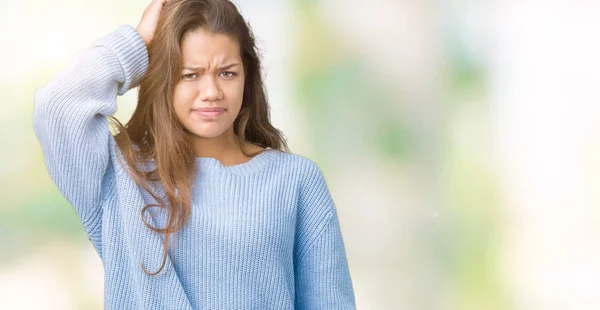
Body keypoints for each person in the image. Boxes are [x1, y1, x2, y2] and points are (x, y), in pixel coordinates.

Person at [33, 0, 356, 309]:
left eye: (227, 72)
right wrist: (137, 45)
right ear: (163, 79)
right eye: (190, 74)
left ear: (248, 77)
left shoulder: (296, 180)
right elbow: (57, 107)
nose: (212, 92)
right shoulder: (121, 175)